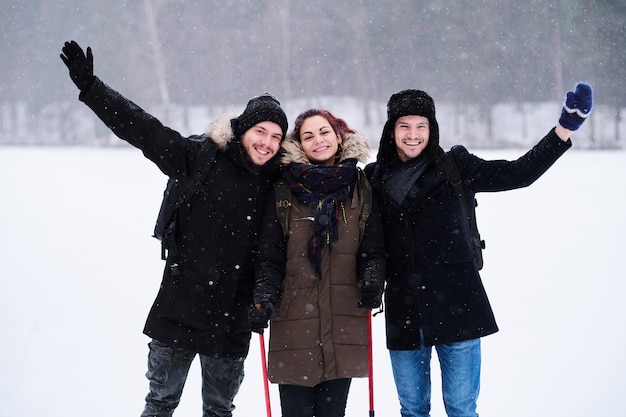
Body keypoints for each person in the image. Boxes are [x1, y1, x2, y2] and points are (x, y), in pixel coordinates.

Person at [60, 40, 289, 417]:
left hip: (232, 319)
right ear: (243, 129)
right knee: (160, 403)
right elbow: (144, 131)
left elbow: (270, 252)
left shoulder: (274, 184)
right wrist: (93, 89)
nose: (266, 143)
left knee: (219, 410)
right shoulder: (200, 157)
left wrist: (263, 298)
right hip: (179, 306)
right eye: (261, 131)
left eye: (276, 137)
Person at [365, 83, 593, 417]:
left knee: (460, 407)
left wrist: (563, 129)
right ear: (391, 130)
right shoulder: (374, 178)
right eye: (404, 126)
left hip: (458, 304)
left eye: (421, 126)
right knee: (412, 409)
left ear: (432, 129)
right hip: (404, 308)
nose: (413, 135)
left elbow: (519, 173)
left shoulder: (456, 166)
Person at [249, 109, 386, 417]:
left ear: (338, 136)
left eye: (324, 132)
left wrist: (372, 278)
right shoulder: (283, 189)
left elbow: (372, 248)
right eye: (308, 136)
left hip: (344, 318)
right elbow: (269, 255)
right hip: (294, 319)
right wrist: (263, 296)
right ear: (299, 145)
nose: (318, 140)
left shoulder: (361, 187)